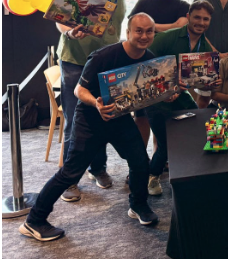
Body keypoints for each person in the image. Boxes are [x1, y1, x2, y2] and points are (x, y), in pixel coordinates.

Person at [20, 14, 165, 242]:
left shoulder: (150, 59)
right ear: (128, 32)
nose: (144, 36)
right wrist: (96, 103)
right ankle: (34, 221)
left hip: (119, 118)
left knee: (139, 162)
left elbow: (148, 92)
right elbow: (79, 91)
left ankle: (138, 205)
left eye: (149, 31)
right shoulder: (104, 56)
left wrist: (168, 93)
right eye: (139, 30)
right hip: (90, 119)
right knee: (70, 172)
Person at [52, 0, 135, 203]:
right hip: (75, 61)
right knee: (75, 120)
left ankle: (97, 168)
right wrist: (69, 32)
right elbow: (59, 16)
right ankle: (69, 179)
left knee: (101, 116)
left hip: (102, 63)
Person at [142, 1, 219, 195]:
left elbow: (198, 81)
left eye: (205, 19)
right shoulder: (166, 38)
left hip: (181, 97)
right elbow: (144, 66)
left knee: (195, 130)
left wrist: (211, 83)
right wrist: (167, 86)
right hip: (156, 97)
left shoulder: (205, 46)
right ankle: (152, 176)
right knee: (166, 142)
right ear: (188, 17)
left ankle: (187, 172)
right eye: (197, 17)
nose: (200, 22)